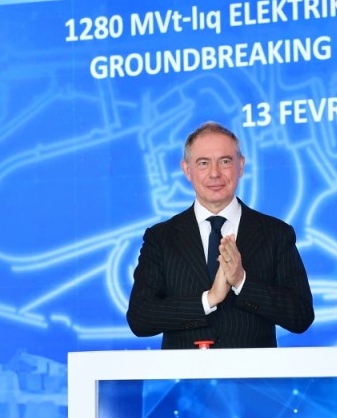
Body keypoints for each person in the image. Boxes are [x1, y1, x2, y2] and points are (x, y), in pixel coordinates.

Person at [127, 121, 314, 348]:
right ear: (186, 169)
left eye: (225, 161)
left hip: (254, 371)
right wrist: (209, 299)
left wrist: (242, 281)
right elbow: (140, 318)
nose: (215, 173)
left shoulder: (276, 233)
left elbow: (301, 316)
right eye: (203, 163)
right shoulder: (161, 238)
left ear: (241, 166)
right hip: (185, 371)